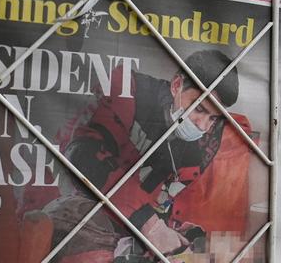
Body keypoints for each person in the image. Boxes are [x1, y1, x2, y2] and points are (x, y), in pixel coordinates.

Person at [22, 50, 249, 262]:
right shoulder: (129, 90)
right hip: (82, 210)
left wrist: (179, 233)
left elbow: (162, 200)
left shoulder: (206, 140)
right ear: (177, 85)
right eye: (199, 109)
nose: (203, 125)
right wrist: (150, 226)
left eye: (213, 118)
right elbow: (82, 157)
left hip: (131, 229)